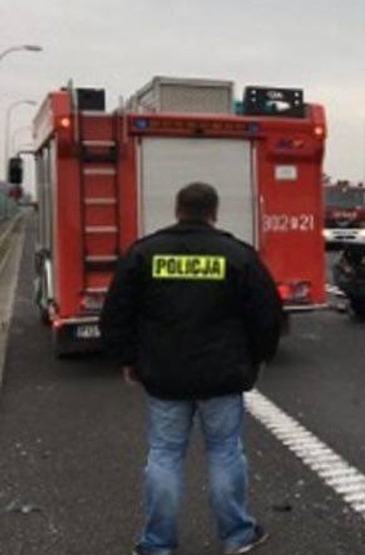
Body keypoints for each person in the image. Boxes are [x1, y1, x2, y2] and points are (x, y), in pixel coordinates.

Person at [101, 182, 284, 555]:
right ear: (214, 212)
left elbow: (116, 314)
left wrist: (128, 360)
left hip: (164, 376)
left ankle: (157, 543)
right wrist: (257, 357)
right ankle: (236, 536)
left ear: (177, 209)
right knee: (225, 452)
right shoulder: (237, 255)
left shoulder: (144, 253)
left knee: (165, 455)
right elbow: (267, 316)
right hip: (222, 376)